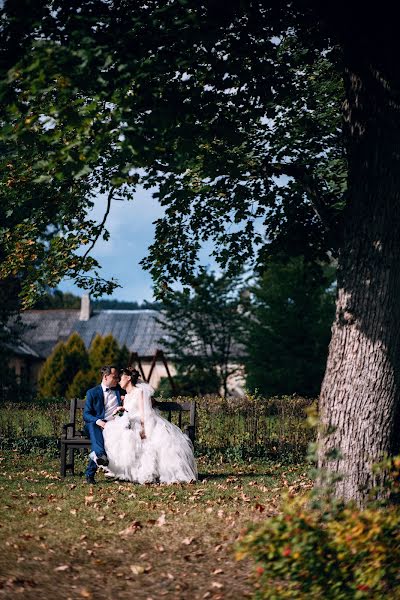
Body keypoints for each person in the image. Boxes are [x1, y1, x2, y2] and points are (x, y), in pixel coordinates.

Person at [97, 367, 197, 483]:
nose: (119, 380)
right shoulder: (126, 396)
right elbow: (128, 413)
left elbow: (144, 412)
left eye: (121, 377)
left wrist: (144, 429)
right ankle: (123, 471)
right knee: (115, 432)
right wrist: (121, 411)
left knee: (137, 438)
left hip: (144, 423)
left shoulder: (139, 392)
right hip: (131, 423)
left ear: (128, 378)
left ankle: (147, 472)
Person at [83, 365, 122, 484]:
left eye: (118, 378)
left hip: (114, 426)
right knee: (95, 428)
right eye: (115, 377)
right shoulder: (92, 392)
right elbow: (86, 414)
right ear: (105, 377)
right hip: (95, 425)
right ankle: (100, 455)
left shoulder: (120, 391)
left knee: (103, 437)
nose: (118, 380)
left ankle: (91, 471)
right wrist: (99, 421)